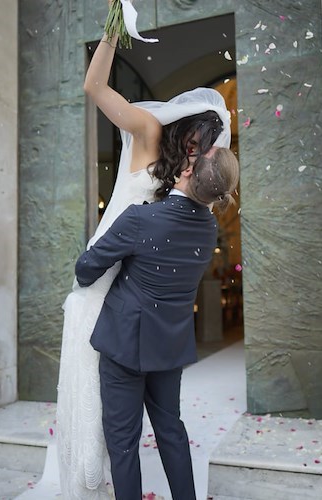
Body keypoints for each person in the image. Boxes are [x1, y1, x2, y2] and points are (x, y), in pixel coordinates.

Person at [55, 5, 234, 500]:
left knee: (125, 427)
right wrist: (112, 34)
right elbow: (95, 88)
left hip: (130, 289)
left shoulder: (190, 192)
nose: (201, 156)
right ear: (187, 134)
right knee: (109, 415)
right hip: (120, 284)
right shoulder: (148, 134)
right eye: (200, 145)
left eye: (208, 151)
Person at [76, 138, 239, 499]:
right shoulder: (207, 228)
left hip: (124, 344)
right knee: (171, 431)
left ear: (185, 172)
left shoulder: (140, 218)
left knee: (122, 441)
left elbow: (85, 269)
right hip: (170, 346)